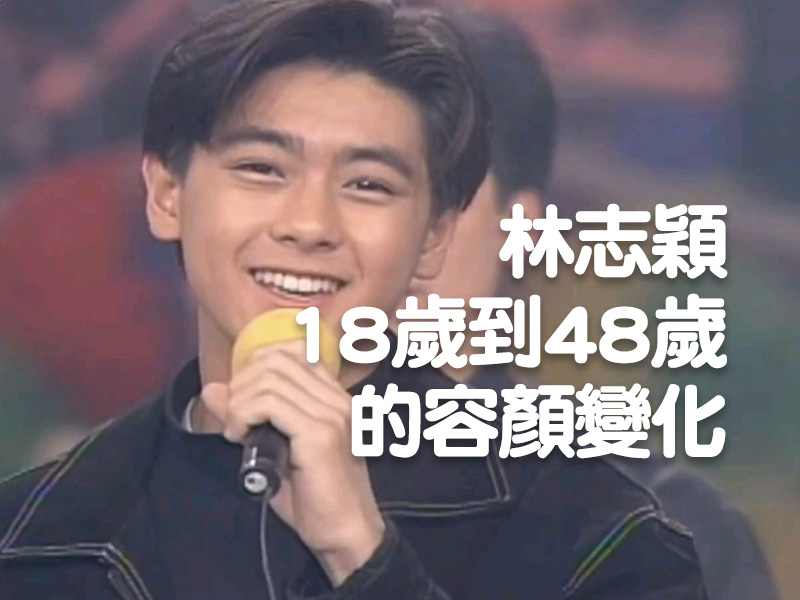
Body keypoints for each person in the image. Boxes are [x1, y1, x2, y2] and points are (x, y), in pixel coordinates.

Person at [0, 1, 707, 598]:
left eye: (368, 184)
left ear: (432, 237)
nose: (309, 224)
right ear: (166, 194)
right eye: (261, 168)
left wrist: (364, 555)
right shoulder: (40, 535)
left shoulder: (594, 535)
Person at [405, 11, 779, 600]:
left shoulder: (656, 528)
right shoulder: (251, 477)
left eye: (438, 193)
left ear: (520, 226)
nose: (391, 237)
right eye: (364, 187)